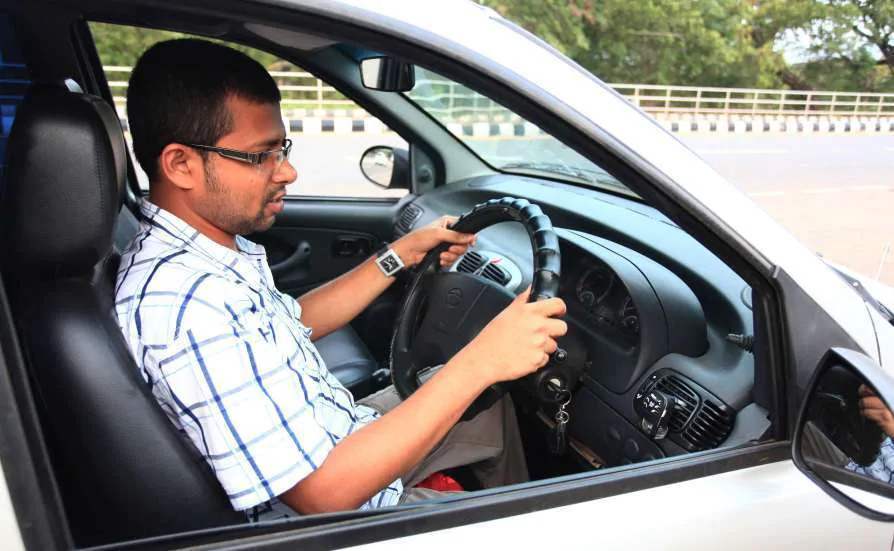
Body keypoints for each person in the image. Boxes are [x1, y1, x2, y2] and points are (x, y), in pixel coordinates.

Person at [114, 39, 567, 520]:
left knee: (485, 401)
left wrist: (400, 254)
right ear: (181, 164)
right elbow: (321, 496)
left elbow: (295, 320)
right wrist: (482, 359)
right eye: (260, 156)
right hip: (346, 512)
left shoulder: (206, 254)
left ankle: (507, 507)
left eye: (281, 148)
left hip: (339, 435)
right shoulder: (183, 305)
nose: (287, 171)